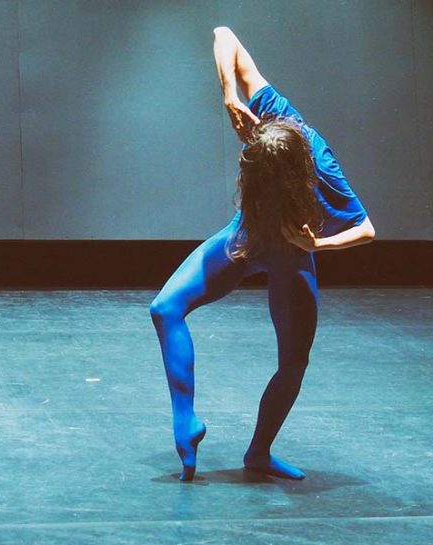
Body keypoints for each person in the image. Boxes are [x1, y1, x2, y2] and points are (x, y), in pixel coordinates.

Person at [150, 26, 376, 482]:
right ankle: (185, 421)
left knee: (294, 361)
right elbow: (223, 34)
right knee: (165, 308)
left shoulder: (324, 171)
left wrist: (318, 245)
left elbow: (366, 229)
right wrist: (229, 95)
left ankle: (259, 452)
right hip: (248, 235)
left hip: (290, 253)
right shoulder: (273, 116)